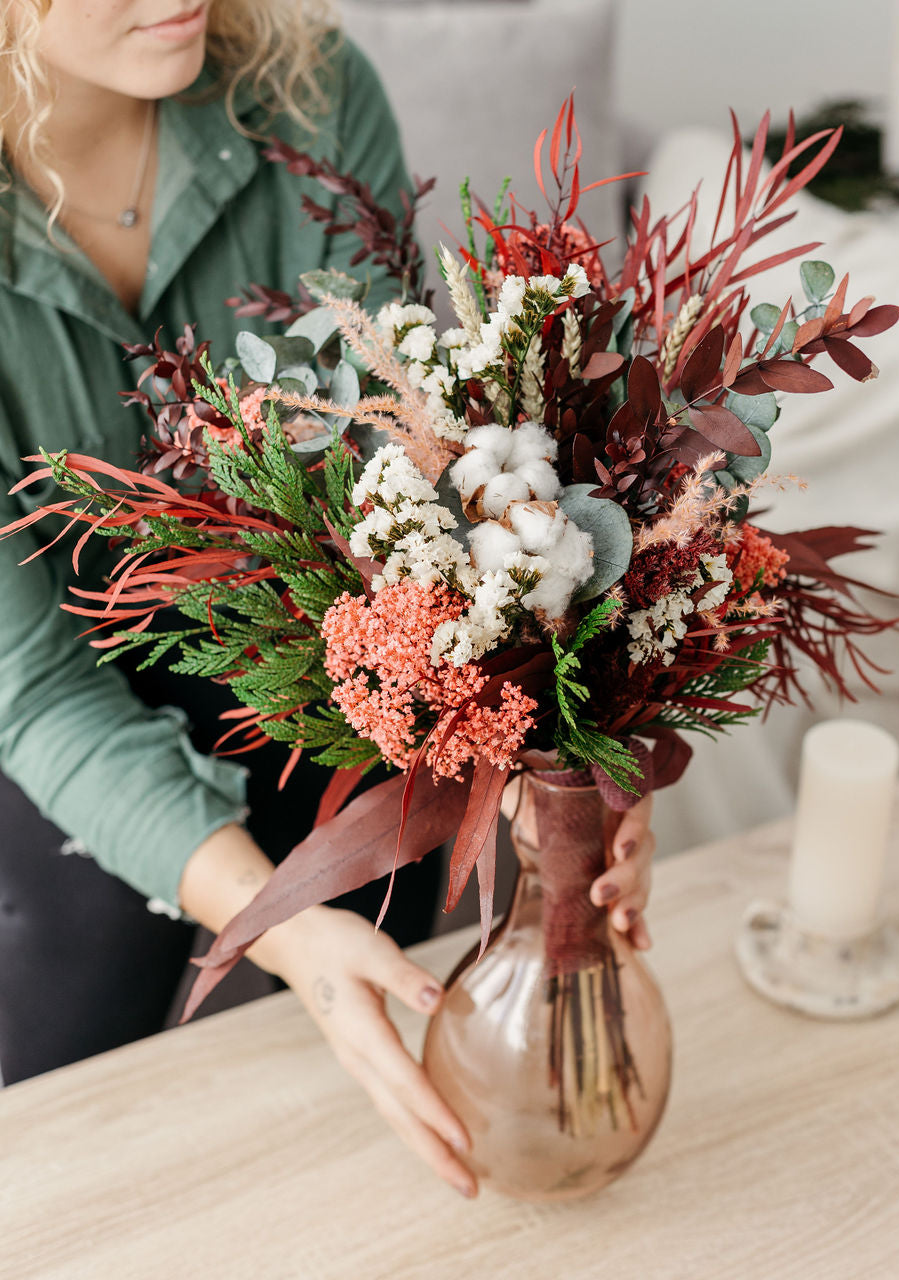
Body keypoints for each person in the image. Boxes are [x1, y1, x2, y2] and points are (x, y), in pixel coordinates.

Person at [0, 0, 656, 1199]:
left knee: (414, 861)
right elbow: (33, 689)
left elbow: (418, 470)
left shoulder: (303, 88)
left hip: (296, 636)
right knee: (73, 978)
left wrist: (576, 752)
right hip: (40, 678)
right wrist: (276, 921)